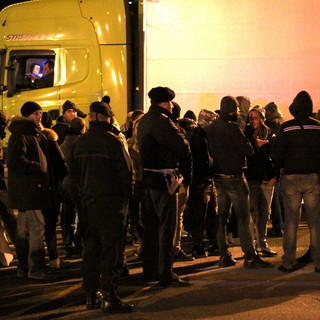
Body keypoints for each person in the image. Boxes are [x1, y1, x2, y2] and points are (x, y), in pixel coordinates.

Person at [71, 101, 134, 312]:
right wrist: (127, 198)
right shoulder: (113, 142)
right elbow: (127, 174)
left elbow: (72, 176)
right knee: (111, 251)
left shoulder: (79, 143)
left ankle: (91, 294)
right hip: (112, 203)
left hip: (88, 202)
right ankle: (110, 295)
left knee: (91, 249)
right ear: (107, 118)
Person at [206, 96, 272, 269]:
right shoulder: (233, 128)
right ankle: (250, 257)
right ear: (232, 111)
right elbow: (248, 151)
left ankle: (224, 255)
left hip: (219, 177)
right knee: (243, 217)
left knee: (222, 217)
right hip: (235, 176)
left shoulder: (211, 128)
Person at [137, 86, 190, 287]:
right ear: (166, 103)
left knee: (151, 227)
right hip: (165, 179)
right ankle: (166, 273)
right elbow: (182, 147)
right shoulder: (164, 121)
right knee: (168, 227)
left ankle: (150, 270)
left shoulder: (144, 121)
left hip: (148, 178)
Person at [271, 91, 320, 273]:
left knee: (291, 221)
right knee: (315, 223)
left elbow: (276, 154)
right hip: (313, 178)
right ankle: (318, 262)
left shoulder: (286, 127)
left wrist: (282, 165)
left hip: (291, 177)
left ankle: (288, 262)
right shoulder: (318, 127)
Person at [7, 102, 57, 280]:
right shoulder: (22, 134)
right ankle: (36, 268)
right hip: (29, 190)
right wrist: (38, 168)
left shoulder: (32, 133)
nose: (40, 116)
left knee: (24, 230)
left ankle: (24, 267)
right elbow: (14, 161)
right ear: (27, 115)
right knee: (36, 228)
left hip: (28, 190)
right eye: (36, 113)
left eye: (41, 113)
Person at [244, 105, 278, 256]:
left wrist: (275, 175)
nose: (253, 120)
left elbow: (276, 156)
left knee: (265, 213)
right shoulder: (245, 134)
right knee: (252, 213)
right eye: (251, 117)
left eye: (256, 117)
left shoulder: (270, 134)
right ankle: (251, 247)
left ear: (263, 119)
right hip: (251, 179)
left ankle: (262, 244)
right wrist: (254, 145)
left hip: (266, 179)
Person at [60, 117, 86, 258]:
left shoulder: (64, 143)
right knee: (82, 214)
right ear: (83, 128)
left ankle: (68, 243)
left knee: (68, 214)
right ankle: (79, 245)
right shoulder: (81, 143)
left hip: (65, 183)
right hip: (77, 183)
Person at [265, 102, 285, 237]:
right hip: (284, 163)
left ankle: (278, 226)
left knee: (275, 197)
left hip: (274, 163)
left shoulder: (271, 124)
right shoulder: (283, 122)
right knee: (281, 196)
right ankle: (283, 224)